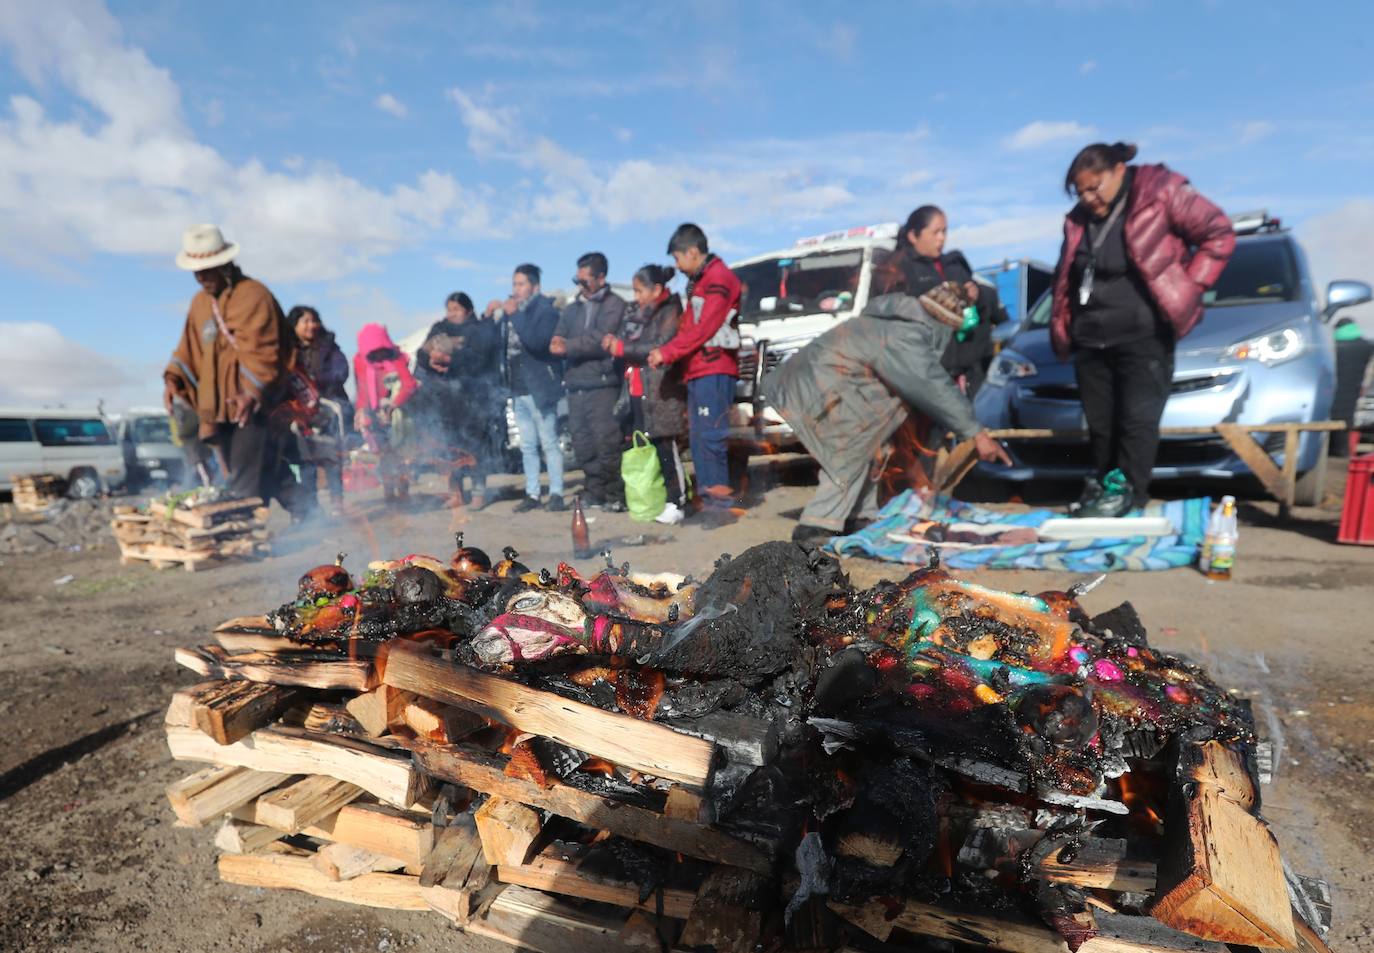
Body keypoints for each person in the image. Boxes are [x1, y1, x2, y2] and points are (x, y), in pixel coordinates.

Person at [769, 240, 1013, 546]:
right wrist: (975, 432)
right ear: (944, 322)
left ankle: (861, 517)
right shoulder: (907, 334)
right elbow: (932, 384)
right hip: (818, 387)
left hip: (825, 385)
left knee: (874, 446)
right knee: (851, 449)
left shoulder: (900, 321)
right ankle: (816, 527)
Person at [1051, 142, 1235, 517]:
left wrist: (1190, 286)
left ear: (1119, 170)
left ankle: (1130, 499)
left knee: (1137, 421)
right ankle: (1106, 493)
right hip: (1091, 338)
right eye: (1079, 191)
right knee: (1101, 426)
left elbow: (1219, 232)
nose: (1087, 198)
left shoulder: (1161, 191)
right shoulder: (1078, 219)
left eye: (1094, 187)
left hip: (1143, 334)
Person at [163, 224, 298, 507]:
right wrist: (173, 378)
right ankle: (306, 513)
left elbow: (267, 351)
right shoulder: (200, 303)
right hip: (217, 407)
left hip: (253, 405)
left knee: (244, 480)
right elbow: (188, 347)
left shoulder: (253, 295)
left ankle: (243, 540)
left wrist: (250, 391)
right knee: (267, 469)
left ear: (225, 263)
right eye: (197, 271)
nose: (201, 277)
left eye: (207, 269)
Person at [648, 224, 741, 516]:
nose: (676, 265)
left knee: (711, 437)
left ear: (692, 252)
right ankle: (710, 502)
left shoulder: (719, 279)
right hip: (699, 370)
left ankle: (720, 506)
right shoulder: (701, 281)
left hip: (714, 369)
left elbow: (705, 328)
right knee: (700, 438)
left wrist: (668, 352)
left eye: (677, 258)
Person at [889, 206, 1008, 396]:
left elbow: (987, 312)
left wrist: (976, 295)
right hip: (930, 378)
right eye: (935, 232)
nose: (942, 238)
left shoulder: (954, 264)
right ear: (913, 235)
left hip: (972, 376)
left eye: (944, 231)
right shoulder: (900, 270)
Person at [603, 263, 689, 525]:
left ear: (657, 289)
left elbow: (659, 345)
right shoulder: (639, 313)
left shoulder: (670, 311)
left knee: (666, 446)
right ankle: (661, 498)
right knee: (650, 445)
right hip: (641, 389)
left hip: (663, 389)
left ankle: (678, 500)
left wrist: (623, 348)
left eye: (640, 291)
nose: (637, 297)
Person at [551, 252, 628, 510]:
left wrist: (568, 346)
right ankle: (594, 491)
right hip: (575, 385)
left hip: (603, 384)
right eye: (577, 280)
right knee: (582, 443)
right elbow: (558, 336)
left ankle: (615, 494)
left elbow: (601, 339)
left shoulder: (615, 304)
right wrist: (558, 343)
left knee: (606, 442)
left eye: (584, 280)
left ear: (601, 277)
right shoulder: (572, 309)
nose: (580, 286)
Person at [488, 263, 567, 512]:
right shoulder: (513, 312)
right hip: (517, 388)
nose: (516, 289)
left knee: (549, 442)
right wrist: (490, 317)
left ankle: (556, 493)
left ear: (535, 286)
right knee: (528, 445)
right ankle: (532, 493)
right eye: (514, 284)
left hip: (540, 387)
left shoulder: (545, 309)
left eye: (521, 284)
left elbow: (538, 342)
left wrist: (515, 315)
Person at [415, 292, 503, 507]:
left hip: (472, 400)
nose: (452, 314)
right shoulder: (439, 328)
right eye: (449, 309)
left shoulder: (478, 330)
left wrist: (449, 360)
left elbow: (478, 360)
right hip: (444, 400)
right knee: (449, 449)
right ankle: (456, 493)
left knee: (473, 448)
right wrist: (431, 360)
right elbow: (421, 354)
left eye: (457, 310)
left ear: (468, 310)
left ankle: (479, 493)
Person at [290, 305, 350, 515]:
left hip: (328, 409)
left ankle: (337, 503)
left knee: (331, 457)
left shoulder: (328, 346)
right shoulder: (289, 353)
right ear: (294, 325)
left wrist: (319, 382)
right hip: (301, 413)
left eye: (314, 320)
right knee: (306, 461)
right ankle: (311, 508)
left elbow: (341, 371)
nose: (311, 326)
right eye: (305, 321)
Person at [353, 323, 418, 502]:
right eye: (375, 351)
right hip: (375, 416)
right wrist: (361, 411)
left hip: (399, 416)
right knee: (384, 455)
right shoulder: (360, 360)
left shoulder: (397, 358)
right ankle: (389, 492)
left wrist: (393, 405)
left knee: (401, 455)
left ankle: (403, 491)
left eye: (383, 349)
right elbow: (362, 389)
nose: (380, 354)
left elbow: (409, 385)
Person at [1332, 318, 1374, 457]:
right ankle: (1342, 455)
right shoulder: (1367, 346)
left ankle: (1336, 455)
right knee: (1344, 427)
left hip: (1332, 397)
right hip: (1352, 396)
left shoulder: (1335, 346)